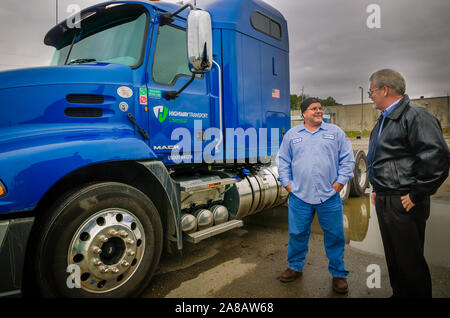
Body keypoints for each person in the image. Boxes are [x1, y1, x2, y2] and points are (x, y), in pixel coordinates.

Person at [366, 69, 450, 298]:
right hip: (386, 197)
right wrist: (377, 188)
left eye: (372, 90)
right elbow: (384, 158)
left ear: (385, 89)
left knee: (409, 261)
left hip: (404, 200)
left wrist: (416, 194)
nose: (370, 95)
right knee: (394, 257)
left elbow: (437, 159)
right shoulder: (384, 118)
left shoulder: (416, 116)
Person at [277, 97, 355, 294]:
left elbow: (347, 159)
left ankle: (338, 274)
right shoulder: (292, 135)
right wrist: (287, 184)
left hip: (328, 197)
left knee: (335, 235)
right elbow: (283, 161)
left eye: (320, 108)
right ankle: (295, 266)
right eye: (314, 109)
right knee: (297, 234)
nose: (319, 111)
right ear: (304, 113)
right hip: (300, 197)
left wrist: (339, 183)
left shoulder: (335, 132)